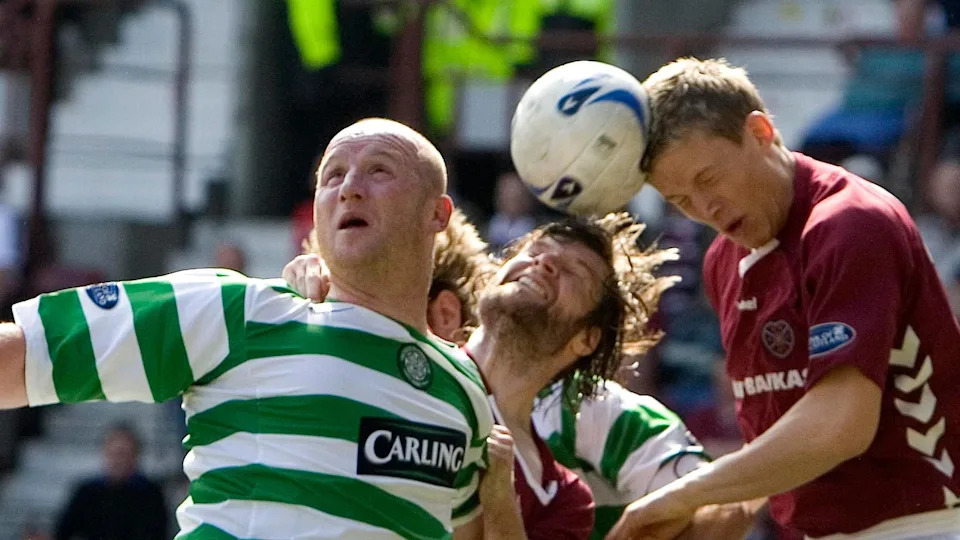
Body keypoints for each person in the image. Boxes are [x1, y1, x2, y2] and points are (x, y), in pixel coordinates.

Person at [0, 118, 494, 539]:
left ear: (438, 213)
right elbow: (23, 358)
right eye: (333, 175)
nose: (350, 187)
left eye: (379, 170)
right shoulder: (238, 311)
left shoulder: (464, 388)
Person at [607, 57, 960, 539]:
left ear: (760, 131)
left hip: (925, 523)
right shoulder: (723, 262)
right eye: (680, 200)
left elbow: (841, 424)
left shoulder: (850, 223)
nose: (704, 208)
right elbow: (787, 425)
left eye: (708, 179)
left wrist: (692, 491)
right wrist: (735, 505)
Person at [286, 210, 758, 540]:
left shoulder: (564, 499)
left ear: (585, 340)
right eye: (533, 251)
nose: (544, 261)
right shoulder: (402, 361)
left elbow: (732, 507)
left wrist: (498, 500)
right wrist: (306, 304)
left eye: (574, 269)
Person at [55, 423, 168, 540]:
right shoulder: (87, 492)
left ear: (135, 456)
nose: (118, 461)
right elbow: (64, 531)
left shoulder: (150, 494)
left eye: (123, 454)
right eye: (114, 454)